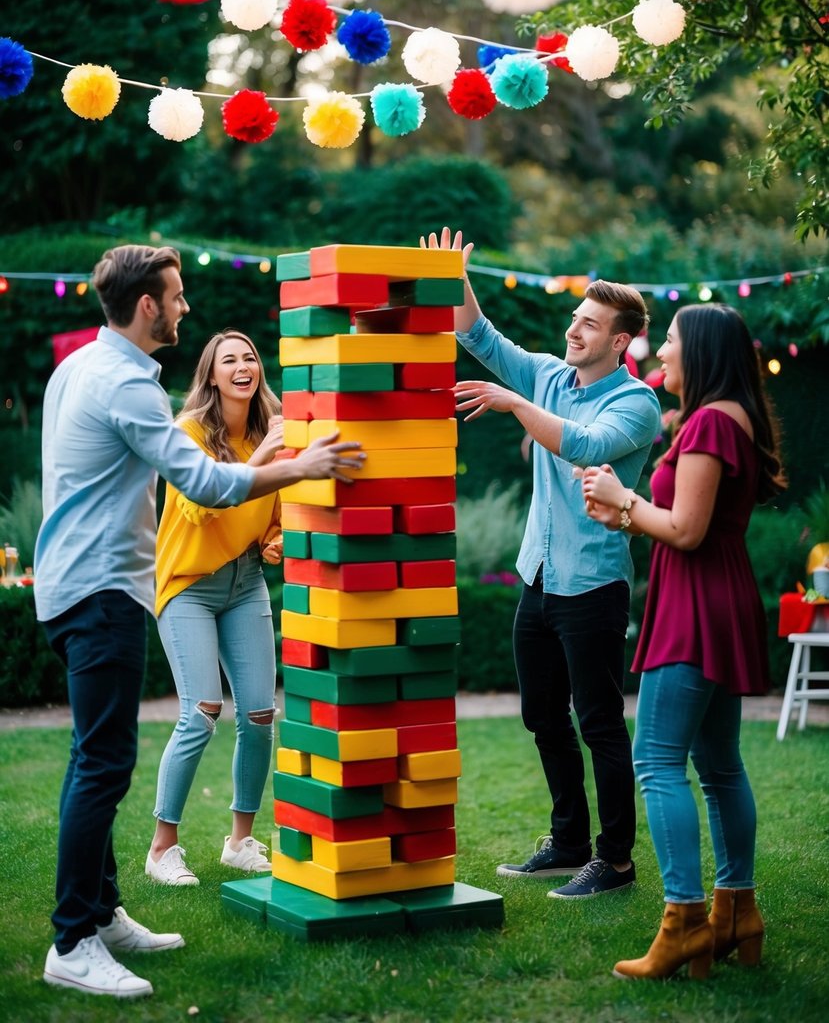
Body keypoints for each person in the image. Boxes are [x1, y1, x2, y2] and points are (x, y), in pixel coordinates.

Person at [35, 245, 363, 1000]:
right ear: (147, 305)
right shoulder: (126, 386)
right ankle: (73, 940)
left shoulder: (78, 368)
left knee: (96, 758)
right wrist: (297, 469)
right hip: (101, 591)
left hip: (76, 585)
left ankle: (103, 910)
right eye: (177, 297)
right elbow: (206, 484)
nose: (184, 308)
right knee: (102, 766)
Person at [421, 227, 662, 899]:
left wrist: (514, 403)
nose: (573, 329)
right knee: (542, 718)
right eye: (575, 318)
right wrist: (454, 279)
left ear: (619, 341)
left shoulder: (635, 403)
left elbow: (586, 446)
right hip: (538, 580)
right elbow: (480, 337)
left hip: (591, 585)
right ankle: (567, 843)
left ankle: (614, 861)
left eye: (588, 324)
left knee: (599, 724)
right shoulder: (549, 374)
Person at [581, 303, 785, 979]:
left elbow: (688, 530)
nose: (657, 350)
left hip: (694, 608)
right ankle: (736, 913)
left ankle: (684, 921)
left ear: (697, 350)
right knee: (719, 764)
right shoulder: (731, 418)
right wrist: (626, 515)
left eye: (665, 340)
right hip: (717, 597)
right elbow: (684, 522)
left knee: (656, 760)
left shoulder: (707, 422)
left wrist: (623, 498)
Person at [145, 331, 288, 887]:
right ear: (210, 376)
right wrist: (261, 458)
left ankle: (240, 840)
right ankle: (163, 848)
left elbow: (274, 509)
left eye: (249, 356)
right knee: (201, 711)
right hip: (188, 587)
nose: (243, 365)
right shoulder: (188, 435)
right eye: (229, 359)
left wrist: (276, 539)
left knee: (257, 714)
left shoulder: (269, 430)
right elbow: (205, 506)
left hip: (245, 583)